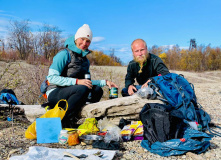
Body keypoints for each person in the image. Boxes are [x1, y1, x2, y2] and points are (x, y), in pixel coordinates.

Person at [46, 24, 118, 128]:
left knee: (97, 90)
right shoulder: (64, 54)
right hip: (56, 91)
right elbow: (52, 78)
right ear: (76, 38)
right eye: (82, 39)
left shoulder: (85, 61)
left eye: (88, 41)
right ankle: (64, 122)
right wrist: (77, 82)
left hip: (75, 91)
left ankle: (83, 117)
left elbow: (86, 82)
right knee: (82, 88)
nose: (84, 43)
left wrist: (105, 82)